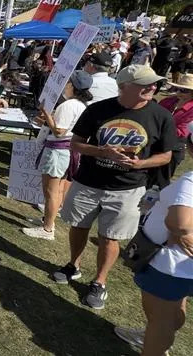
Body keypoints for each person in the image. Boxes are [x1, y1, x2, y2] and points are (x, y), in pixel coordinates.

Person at [52, 64, 177, 310]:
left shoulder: (161, 116)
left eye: (154, 83)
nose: (153, 87)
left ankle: (100, 281)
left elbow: (166, 155)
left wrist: (140, 163)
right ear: (124, 87)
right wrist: (101, 151)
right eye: (145, 84)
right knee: (78, 226)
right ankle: (73, 265)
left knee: (110, 237)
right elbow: (76, 144)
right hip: (88, 182)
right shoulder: (98, 109)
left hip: (127, 188)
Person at [114, 136, 193, 355]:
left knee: (160, 320)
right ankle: (152, 337)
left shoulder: (190, 181)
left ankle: (154, 342)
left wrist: (179, 234)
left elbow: (180, 222)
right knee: (173, 311)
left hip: (169, 264)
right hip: (181, 268)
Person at [22, 71, 94, 241]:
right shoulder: (81, 105)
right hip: (66, 150)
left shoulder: (69, 105)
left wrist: (47, 114)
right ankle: (48, 220)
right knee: (58, 189)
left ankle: (47, 229)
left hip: (58, 150)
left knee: (51, 191)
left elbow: (59, 131)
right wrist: (48, 119)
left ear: (72, 86)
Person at [153, 73, 193, 188]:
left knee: (161, 181)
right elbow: (153, 116)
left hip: (174, 147)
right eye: (177, 88)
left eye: (184, 90)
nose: (179, 92)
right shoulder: (167, 101)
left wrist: (157, 128)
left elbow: (182, 131)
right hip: (155, 142)